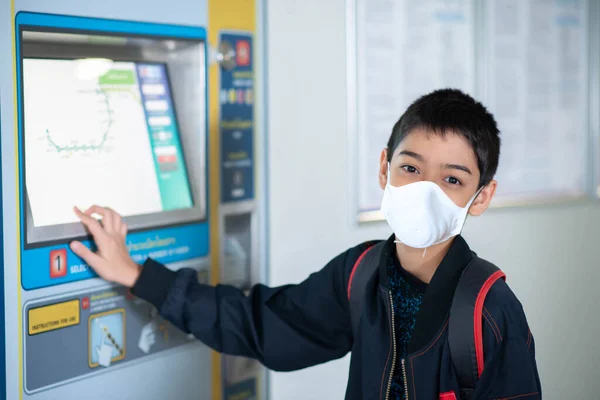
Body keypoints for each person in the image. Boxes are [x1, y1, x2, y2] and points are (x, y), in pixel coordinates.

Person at [70, 89, 541, 400]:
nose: (424, 191)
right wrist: (137, 275)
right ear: (385, 169)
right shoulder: (361, 276)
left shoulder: (489, 312)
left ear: (481, 198)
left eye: (452, 179)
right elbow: (262, 325)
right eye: (411, 169)